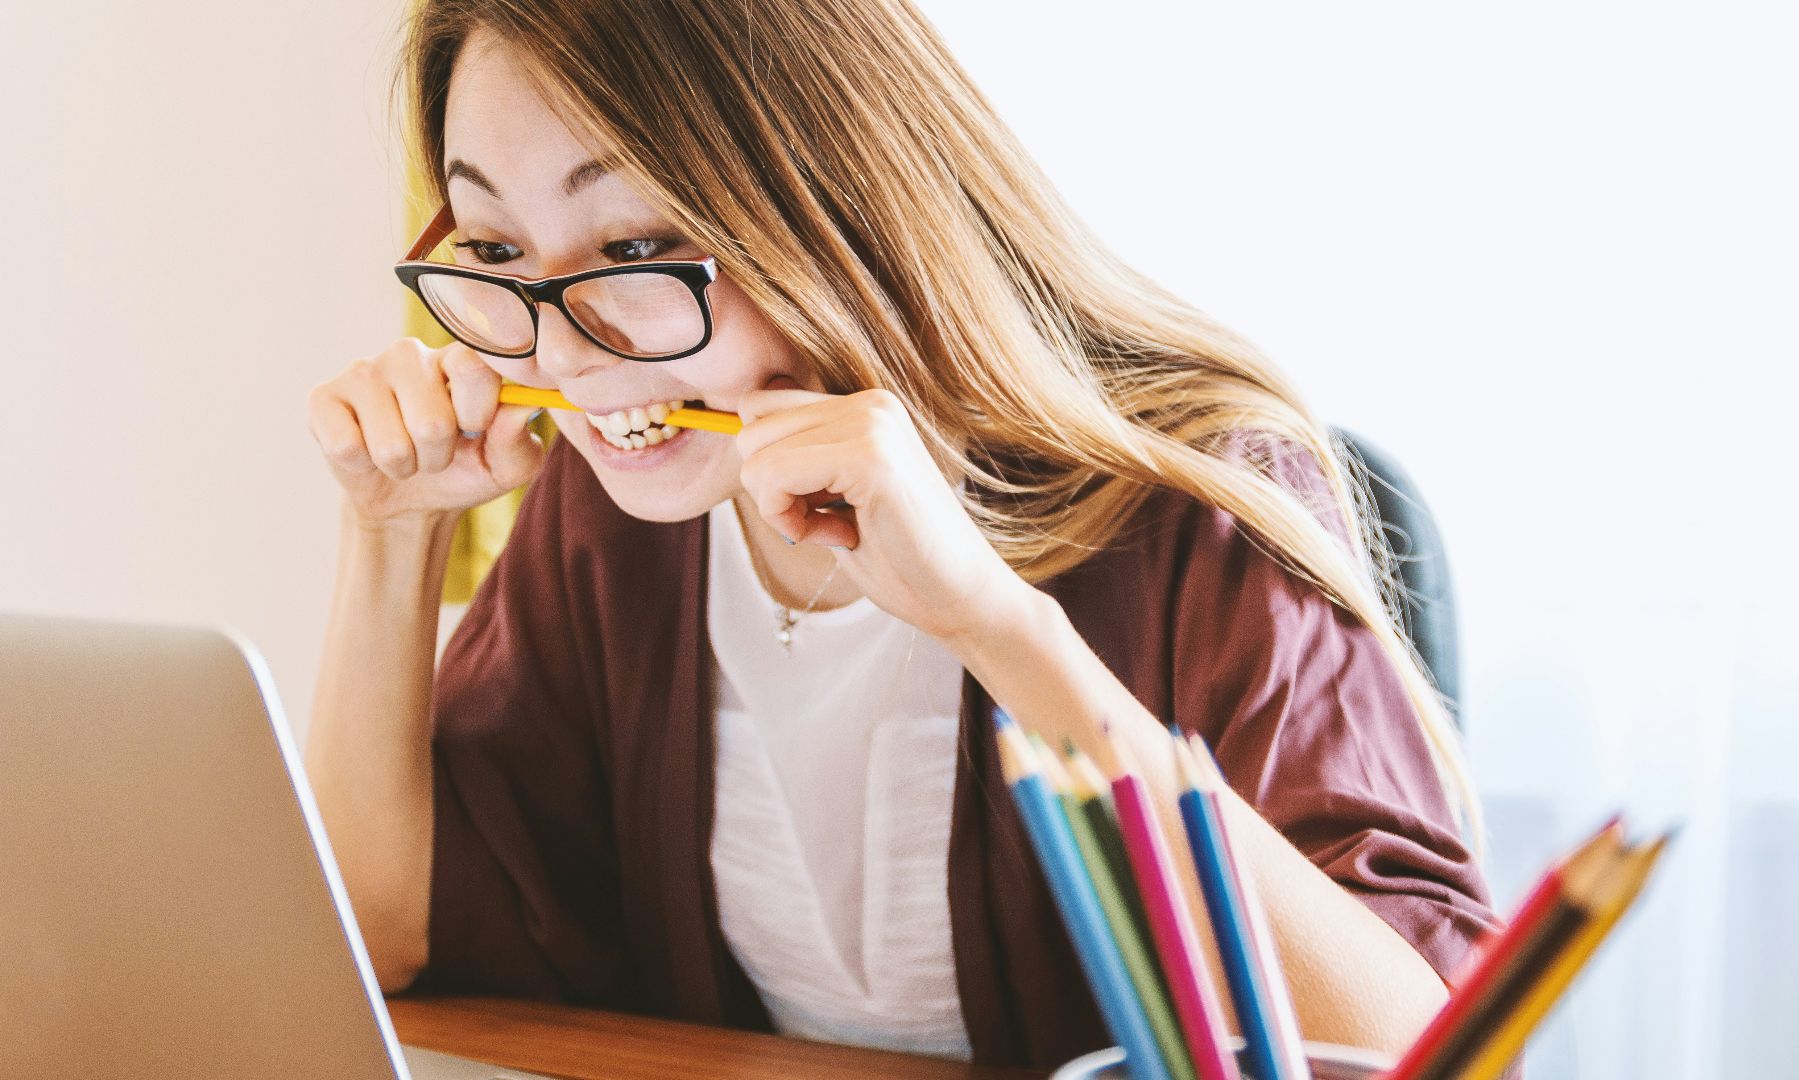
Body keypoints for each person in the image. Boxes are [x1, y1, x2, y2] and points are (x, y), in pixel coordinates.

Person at [303, 0, 1502, 1069]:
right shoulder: (621, 510)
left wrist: (993, 624)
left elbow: (1416, 1045)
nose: (563, 355)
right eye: (497, 251)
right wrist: (389, 535)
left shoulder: (1196, 497)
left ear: (831, 206)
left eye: (636, 249)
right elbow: (378, 937)